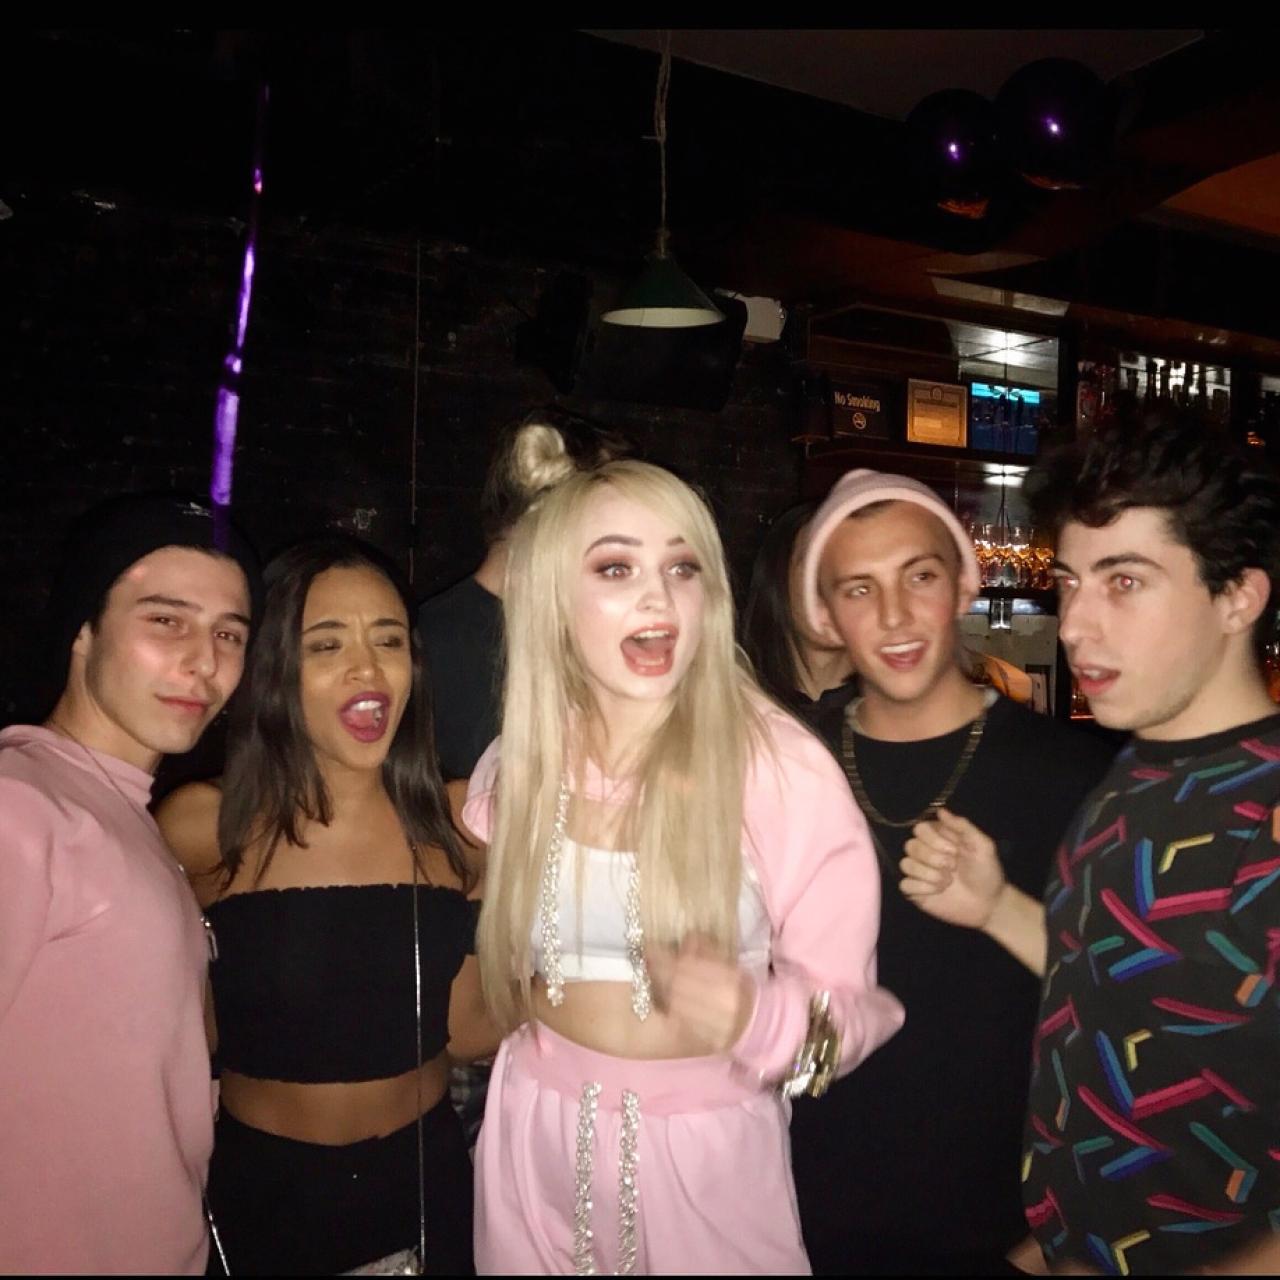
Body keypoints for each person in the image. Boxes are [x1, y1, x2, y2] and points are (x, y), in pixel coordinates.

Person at [463, 451, 904, 1275]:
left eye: (682, 567)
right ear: (553, 596)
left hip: (704, 1165)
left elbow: (854, 1012)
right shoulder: (523, 759)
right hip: (532, 1137)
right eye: (616, 567)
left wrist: (754, 1017)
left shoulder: (777, 768)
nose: (658, 597)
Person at [901, 414, 1280, 1274]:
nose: (1072, 625)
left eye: (1126, 582)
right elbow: (1120, 985)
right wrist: (995, 908)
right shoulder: (1133, 772)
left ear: (1237, 597)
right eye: (1071, 582)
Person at [788, 468, 1114, 1275]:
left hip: (1000, 1233)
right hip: (795, 1222)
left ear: (964, 585)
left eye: (920, 577)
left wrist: (1054, 1239)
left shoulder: (1073, 774)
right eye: (859, 589)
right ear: (825, 615)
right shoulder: (781, 766)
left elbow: (1125, 1009)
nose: (894, 616)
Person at [157, 536, 492, 1275]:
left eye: (389, 640)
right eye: (327, 644)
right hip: (268, 1194)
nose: (368, 668)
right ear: (276, 668)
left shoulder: (458, 822)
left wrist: (589, 990)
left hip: (426, 1184)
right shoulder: (204, 826)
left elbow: (466, 1029)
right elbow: (172, 1033)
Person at [0, 494, 258, 1274]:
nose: (204, 663)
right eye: (166, 621)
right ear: (83, 631)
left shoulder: (120, 813)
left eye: (229, 634)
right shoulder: (22, 807)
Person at [741, 500, 855, 725]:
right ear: (778, 577)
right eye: (815, 563)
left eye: (847, 565)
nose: (832, 581)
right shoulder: (732, 703)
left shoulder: (894, 710)